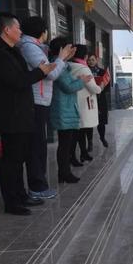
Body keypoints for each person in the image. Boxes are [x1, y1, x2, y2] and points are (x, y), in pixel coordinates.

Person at [0, 12, 56, 215]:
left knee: (18, 158)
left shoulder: (13, 50)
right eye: (17, 27)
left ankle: (21, 194)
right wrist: (42, 72)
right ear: (7, 30)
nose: (21, 31)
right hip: (11, 113)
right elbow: (17, 81)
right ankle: (12, 202)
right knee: (11, 160)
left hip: (21, 112)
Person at [17, 16, 75, 199]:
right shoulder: (29, 47)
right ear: (42, 32)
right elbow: (50, 74)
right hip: (35, 101)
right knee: (36, 146)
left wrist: (61, 60)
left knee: (39, 145)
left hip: (40, 101)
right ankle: (37, 187)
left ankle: (38, 185)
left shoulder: (35, 47)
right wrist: (61, 58)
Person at [49, 37, 92, 183]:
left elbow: (68, 84)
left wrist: (77, 79)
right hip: (63, 109)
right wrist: (82, 81)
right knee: (65, 145)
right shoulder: (58, 66)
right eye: (69, 48)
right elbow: (68, 87)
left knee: (66, 144)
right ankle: (64, 173)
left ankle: (65, 172)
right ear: (62, 50)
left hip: (66, 109)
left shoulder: (63, 66)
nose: (72, 51)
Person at [69, 45, 104, 163]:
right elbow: (93, 87)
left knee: (78, 131)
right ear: (85, 56)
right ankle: (79, 155)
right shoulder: (83, 69)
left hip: (73, 101)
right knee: (81, 130)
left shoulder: (68, 66)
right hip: (84, 103)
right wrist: (100, 87)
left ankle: (81, 153)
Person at [87, 54, 110, 148]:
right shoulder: (85, 71)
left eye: (92, 60)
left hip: (101, 100)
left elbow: (108, 85)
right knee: (89, 122)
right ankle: (90, 142)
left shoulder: (102, 72)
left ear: (96, 60)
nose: (91, 62)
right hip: (89, 99)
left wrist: (102, 86)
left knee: (101, 122)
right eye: (89, 60)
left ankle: (102, 137)